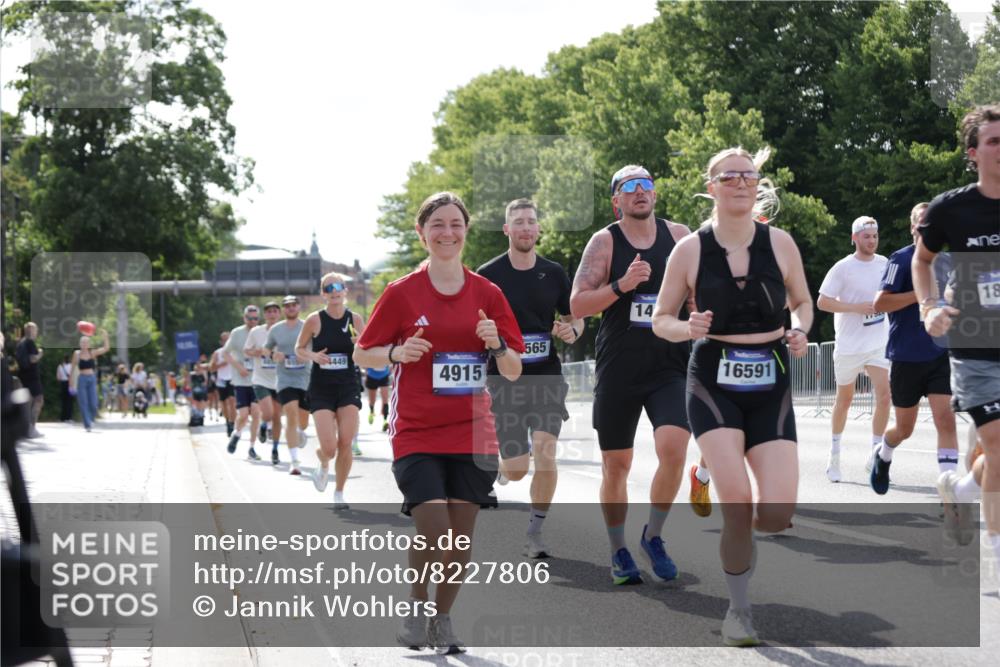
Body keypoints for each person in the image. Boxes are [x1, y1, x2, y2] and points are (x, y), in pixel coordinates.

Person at [652, 146, 812, 646]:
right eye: (729, 176)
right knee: (738, 505)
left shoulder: (780, 243)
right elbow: (660, 319)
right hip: (713, 381)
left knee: (777, 515)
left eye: (748, 175)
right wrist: (687, 327)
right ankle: (739, 612)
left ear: (757, 184)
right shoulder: (689, 250)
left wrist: (800, 328)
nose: (741, 182)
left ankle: (711, 486)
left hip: (771, 381)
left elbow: (803, 302)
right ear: (712, 186)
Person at [354, 192, 524, 654]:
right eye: (438, 225)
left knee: (461, 537)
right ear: (422, 233)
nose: (447, 233)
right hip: (416, 430)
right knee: (434, 528)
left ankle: (441, 620)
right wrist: (396, 352)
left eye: (455, 224)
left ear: (465, 230)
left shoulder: (488, 294)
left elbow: (513, 369)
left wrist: (496, 344)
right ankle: (416, 603)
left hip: (472, 430)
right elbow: (362, 353)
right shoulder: (401, 293)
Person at [569, 165, 705, 586]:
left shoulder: (680, 236)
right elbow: (577, 305)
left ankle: (653, 536)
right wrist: (622, 285)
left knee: (674, 448)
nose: (640, 191)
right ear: (617, 200)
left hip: (670, 365)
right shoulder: (605, 242)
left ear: (655, 194)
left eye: (646, 184)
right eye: (629, 187)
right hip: (620, 368)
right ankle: (618, 550)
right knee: (617, 466)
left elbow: (699, 294)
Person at [914, 104, 1000, 572]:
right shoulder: (951, 208)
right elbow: (922, 260)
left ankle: (962, 489)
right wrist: (928, 307)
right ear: (973, 153)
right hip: (975, 344)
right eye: (994, 141)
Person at [477, 197, 584, 558]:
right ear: (506, 229)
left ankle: (535, 532)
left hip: (546, 378)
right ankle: (504, 469)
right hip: (504, 380)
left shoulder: (554, 273)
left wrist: (572, 331)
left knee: (546, 452)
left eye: (531, 221)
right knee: (518, 470)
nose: (526, 228)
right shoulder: (488, 274)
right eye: (519, 222)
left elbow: (573, 317)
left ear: (538, 228)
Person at [870, 202, 958, 494]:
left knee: (946, 419)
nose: (925, 227)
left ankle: (948, 490)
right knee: (904, 429)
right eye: (920, 222)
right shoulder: (901, 259)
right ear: (912, 228)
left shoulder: (948, 261)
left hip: (940, 353)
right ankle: (883, 453)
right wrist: (921, 294)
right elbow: (880, 303)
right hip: (906, 356)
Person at [817, 216, 890, 482]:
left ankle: (876, 456)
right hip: (849, 346)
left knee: (885, 396)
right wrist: (855, 308)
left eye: (875, 236)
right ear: (855, 238)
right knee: (844, 400)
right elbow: (823, 302)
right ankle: (834, 453)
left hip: (877, 344)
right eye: (866, 236)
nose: (872, 240)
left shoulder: (885, 264)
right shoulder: (843, 268)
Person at [297, 273, 364, 510]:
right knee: (329, 448)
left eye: (338, 286)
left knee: (346, 441)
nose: (334, 291)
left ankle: (339, 493)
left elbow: (366, 350)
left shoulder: (355, 319)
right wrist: (313, 356)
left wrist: (360, 345)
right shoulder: (314, 320)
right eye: (329, 288)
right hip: (321, 388)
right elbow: (299, 349)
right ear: (323, 293)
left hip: (348, 385)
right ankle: (323, 462)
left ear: (345, 291)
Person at [265, 295, 312, 475]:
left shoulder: (307, 326)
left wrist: (306, 354)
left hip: (306, 378)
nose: (291, 308)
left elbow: (318, 347)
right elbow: (266, 349)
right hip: (285, 379)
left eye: (294, 305)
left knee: (303, 422)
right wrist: (273, 355)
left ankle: (300, 430)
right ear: (283, 309)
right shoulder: (276, 329)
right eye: (287, 306)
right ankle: (295, 461)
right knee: (290, 415)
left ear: (299, 307)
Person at [245, 301, 284, 464]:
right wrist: (261, 352)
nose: (272, 314)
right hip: (261, 379)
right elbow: (246, 350)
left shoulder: (285, 330)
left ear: (279, 314)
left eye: (275, 311)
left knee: (277, 417)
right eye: (268, 312)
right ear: (264, 315)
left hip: (281, 379)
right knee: (267, 413)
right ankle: (263, 425)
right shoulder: (256, 331)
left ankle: (275, 449)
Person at [224, 306, 263, 461]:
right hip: (241, 379)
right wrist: (239, 367)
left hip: (258, 379)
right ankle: (237, 433)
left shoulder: (262, 332)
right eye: (249, 318)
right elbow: (225, 353)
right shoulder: (237, 333)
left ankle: (252, 448)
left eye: (255, 318)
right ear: (244, 318)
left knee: (256, 413)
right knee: (244, 415)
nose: (253, 321)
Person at [70, 328, 111, 432]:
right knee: (83, 402)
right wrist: (71, 383)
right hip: (82, 379)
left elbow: (106, 348)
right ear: (80, 344)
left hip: (92, 379)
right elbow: (72, 369)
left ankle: (91, 419)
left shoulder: (93, 353)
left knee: (93, 403)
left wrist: (105, 336)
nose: (84, 344)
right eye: (82, 342)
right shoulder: (77, 354)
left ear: (89, 344)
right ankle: (87, 424)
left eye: (86, 342)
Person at [15, 322, 44, 438]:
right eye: (36, 330)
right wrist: (40, 354)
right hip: (32, 377)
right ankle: (31, 429)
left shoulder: (21, 343)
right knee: (38, 400)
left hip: (23, 376)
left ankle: (25, 429)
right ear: (31, 330)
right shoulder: (30, 342)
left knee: (27, 403)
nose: (37, 332)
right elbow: (33, 359)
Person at [211, 331, 236, 435]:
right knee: (224, 403)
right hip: (221, 380)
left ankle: (232, 423)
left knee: (232, 401)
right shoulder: (217, 353)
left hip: (233, 380)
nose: (226, 342)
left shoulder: (235, 352)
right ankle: (227, 422)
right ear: (221, 342)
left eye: (228, 340)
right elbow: (211, 368)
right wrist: (221, 364)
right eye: (224, 340)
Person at [364, 366, 392, 432]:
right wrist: (366, 370)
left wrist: (390, 368)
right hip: (371, 376)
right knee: (372, 400)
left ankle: (385, 420)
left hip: (384, 376)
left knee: (385, 399)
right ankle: (371, 412)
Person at [56, 355, 74, 423]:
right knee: (70, 401)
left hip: (63, 384)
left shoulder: (60, 366)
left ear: (63, 359)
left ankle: (62, 418)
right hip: (70, 384)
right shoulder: (72, 366)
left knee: (63, 401)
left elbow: (58, 377)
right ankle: (69, 418)